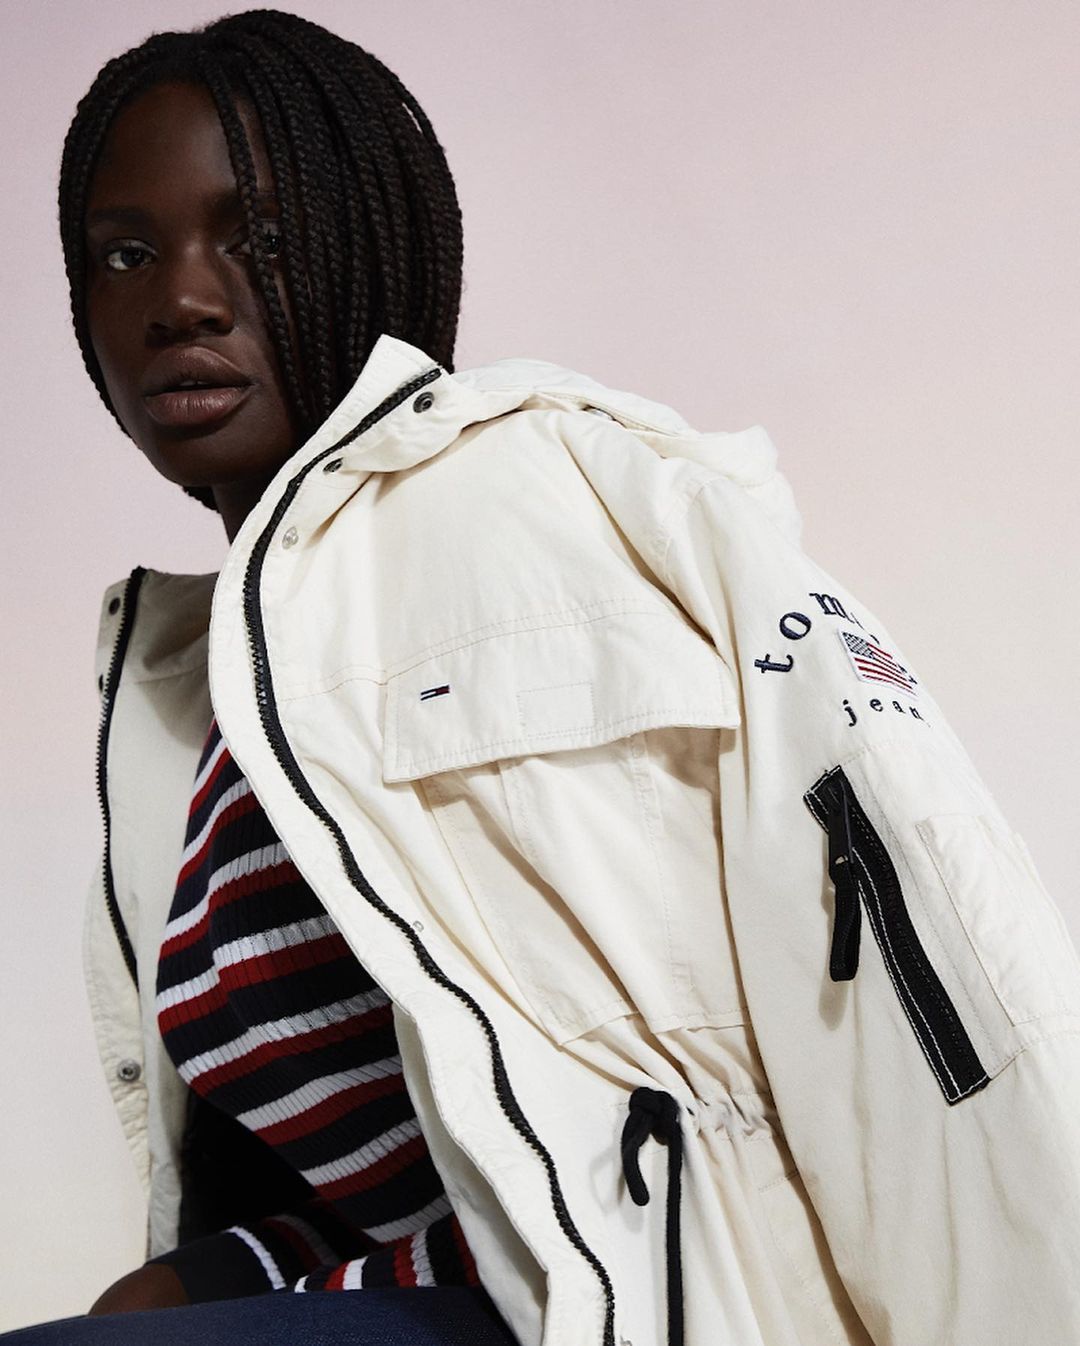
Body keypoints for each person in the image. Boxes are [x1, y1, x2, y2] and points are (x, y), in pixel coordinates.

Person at [11, 6, 1080, 1344]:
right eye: (125, 253)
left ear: (378, 245)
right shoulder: (207, 698)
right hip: (470, 1282)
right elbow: (452, 1127)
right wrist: (225, 1265)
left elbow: (920, 941)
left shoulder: (551, 497)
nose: (181, 299)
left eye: (260, 238)